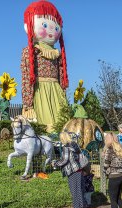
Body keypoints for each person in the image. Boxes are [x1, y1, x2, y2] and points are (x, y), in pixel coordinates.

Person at [22, 0, 68, 130]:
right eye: (44, 24)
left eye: (56, 27)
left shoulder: (56, 53)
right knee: (45, 125)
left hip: (56, 91)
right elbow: (26, 77)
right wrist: (28, 103)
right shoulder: (31, 51)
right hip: (40, 91)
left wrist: (63, 93)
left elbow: (61, 75)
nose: (51, 30)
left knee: (63, 123)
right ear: (28, 26)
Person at [53, 132, 86, 208]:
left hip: (72, 170)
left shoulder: (66, 147)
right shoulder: (75, 145)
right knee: (79, 188)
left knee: (74, 190)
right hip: (79, 169)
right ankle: (82, 206)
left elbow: (64, 160)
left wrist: (55, 163)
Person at [103, 132, 122, 208]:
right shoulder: (120, 147)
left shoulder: (109, 149)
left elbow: (106, 164)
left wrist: (105, 171)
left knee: (113, 198)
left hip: (113, 176)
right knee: (118, 197)